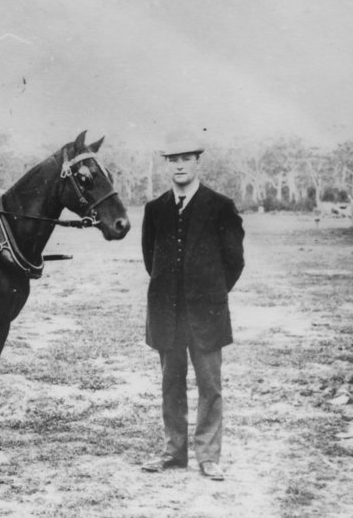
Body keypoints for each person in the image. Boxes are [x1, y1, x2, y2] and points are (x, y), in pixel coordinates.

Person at [140, 131, 245, 481]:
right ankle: (173, 453)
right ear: (167, 165)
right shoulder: (154, 209)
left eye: (186, 158)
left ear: (198, 162)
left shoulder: (220, 206)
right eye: (173, 159)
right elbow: (149, 260)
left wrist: (210, 294)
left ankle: (208, 456)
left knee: (210, 387)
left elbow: (234, 262)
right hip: (166, 315)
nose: (179, 165)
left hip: (207, 313)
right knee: (171, 384)